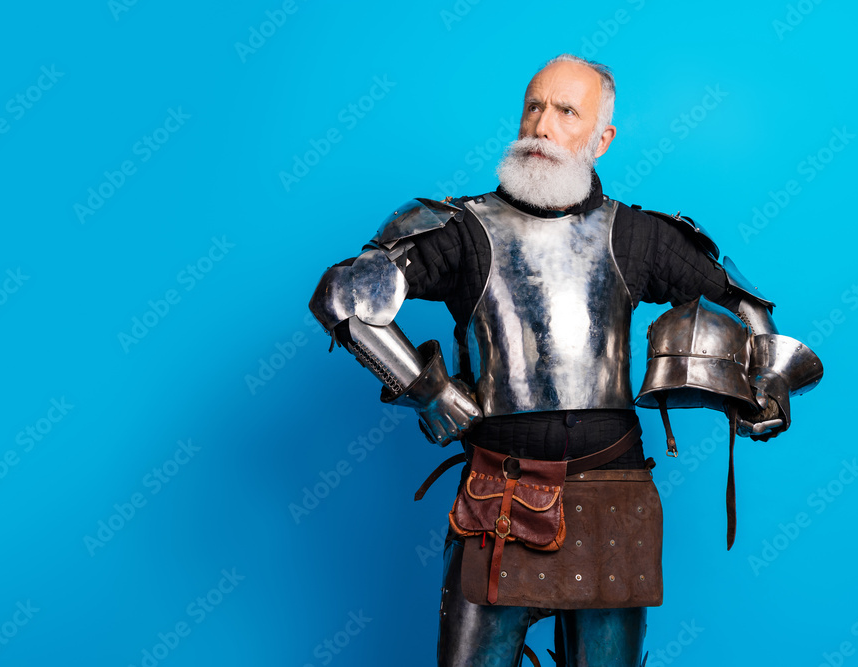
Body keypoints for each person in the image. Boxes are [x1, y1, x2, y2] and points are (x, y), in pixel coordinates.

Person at [309, 54, 821, 667]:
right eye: (534, 106)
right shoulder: (462, 229)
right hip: (498, 497)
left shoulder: (637, 236)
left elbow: (747, 307)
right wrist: (427, 389)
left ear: (602, 138)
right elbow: (344, 295)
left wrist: (768, 386)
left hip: (612, 497)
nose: (542, 126)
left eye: (565, 111)